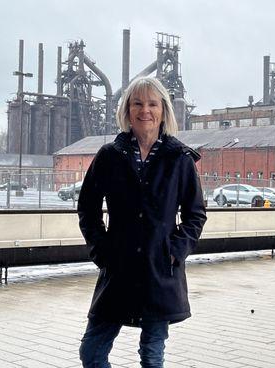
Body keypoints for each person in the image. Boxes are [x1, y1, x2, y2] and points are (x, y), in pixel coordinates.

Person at [78, 76, 207, 367]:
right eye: (137, 103)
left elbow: (195, 214)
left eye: (152, 103)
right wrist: (101, 250)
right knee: (92, 351)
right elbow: (87, 207)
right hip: (118, 267)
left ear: (163, 110)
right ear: (126, 110)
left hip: (158, 270)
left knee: (151, 355)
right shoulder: (110, 156)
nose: (144, 110)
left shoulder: (179, 159)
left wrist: (174, 251)